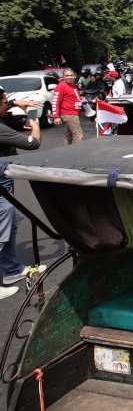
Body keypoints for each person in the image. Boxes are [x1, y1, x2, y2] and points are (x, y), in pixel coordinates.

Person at [0, 87, 45, 299]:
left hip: (4, 184)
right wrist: (34, 123)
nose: (6, 104)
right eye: (4, 101)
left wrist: (17, 104)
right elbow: (33, 143)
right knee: (2, 231)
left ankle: (11, 271)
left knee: (10, 224)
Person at [53, 69, 83, 144]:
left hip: (74, 113)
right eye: (67, 75)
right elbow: (55, 101)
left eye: (71, 75)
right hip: (69, 114)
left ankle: (67, 152)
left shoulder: (73, 86)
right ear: (63, 77)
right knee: (78, 135)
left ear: (75, 76)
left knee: (68, 136)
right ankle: (78, 152)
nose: (69, 77)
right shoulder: (61, 86)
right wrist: (56, 116)